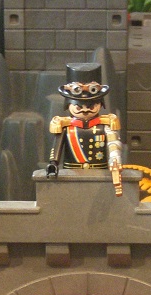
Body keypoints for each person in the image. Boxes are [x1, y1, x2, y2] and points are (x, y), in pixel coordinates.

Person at [47, 62, 123, 195]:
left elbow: (113, 144)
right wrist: (53, 163)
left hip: (99, 173)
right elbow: (57, 146)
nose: (85, 110)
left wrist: (115, 158)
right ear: (69, 105)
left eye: (91, 106)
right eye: (79, 107)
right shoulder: (66, 127)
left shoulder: (105, 126)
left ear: (100, 104)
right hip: (71, 173)